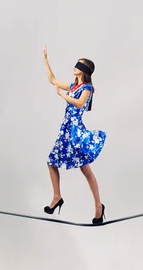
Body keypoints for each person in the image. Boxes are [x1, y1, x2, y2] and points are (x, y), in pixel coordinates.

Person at [42, 45, 107, 225]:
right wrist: (45, 60)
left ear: (83, 70)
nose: (74, 67)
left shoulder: (87, 88)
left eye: (78, 65)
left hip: (75, 131)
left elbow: (79, 104)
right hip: (65, 130)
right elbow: (52, 80)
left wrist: (63, 95)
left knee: (85, 170)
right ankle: (57, 197)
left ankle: (98, 207)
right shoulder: (73, 86)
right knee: (51, 162)